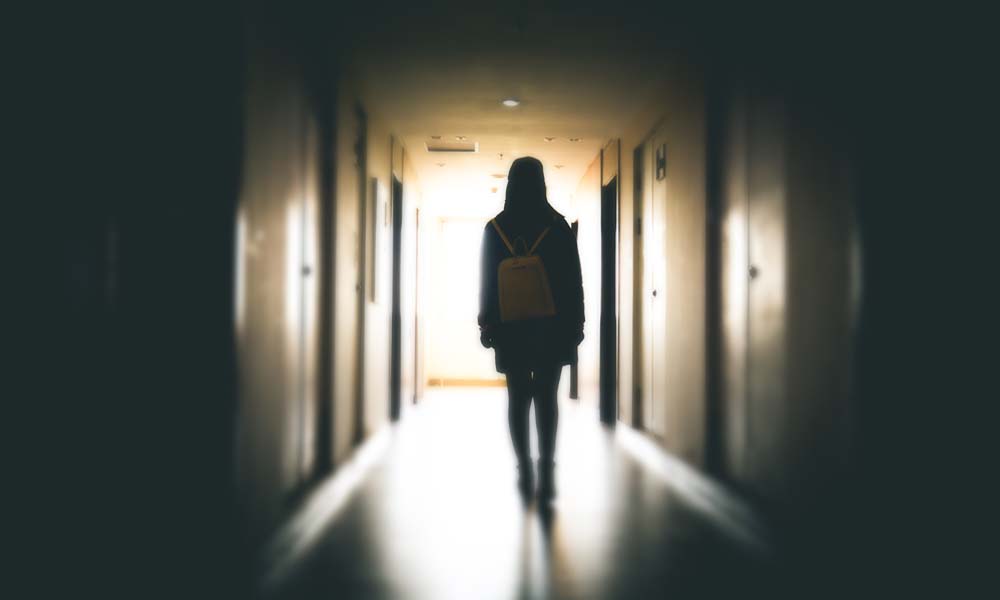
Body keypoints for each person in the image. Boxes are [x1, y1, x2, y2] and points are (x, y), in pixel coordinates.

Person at [478, 156, 585, 503]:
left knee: (517, 397)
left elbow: (487, 280)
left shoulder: (494, 229)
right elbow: (573, 282)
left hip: (511, 327)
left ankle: (524, 467)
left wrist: (486, 321)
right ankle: (547, 469)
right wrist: (576, 324)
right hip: (552, 326)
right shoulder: (558, 227)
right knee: (547, 399)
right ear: (542, 183)